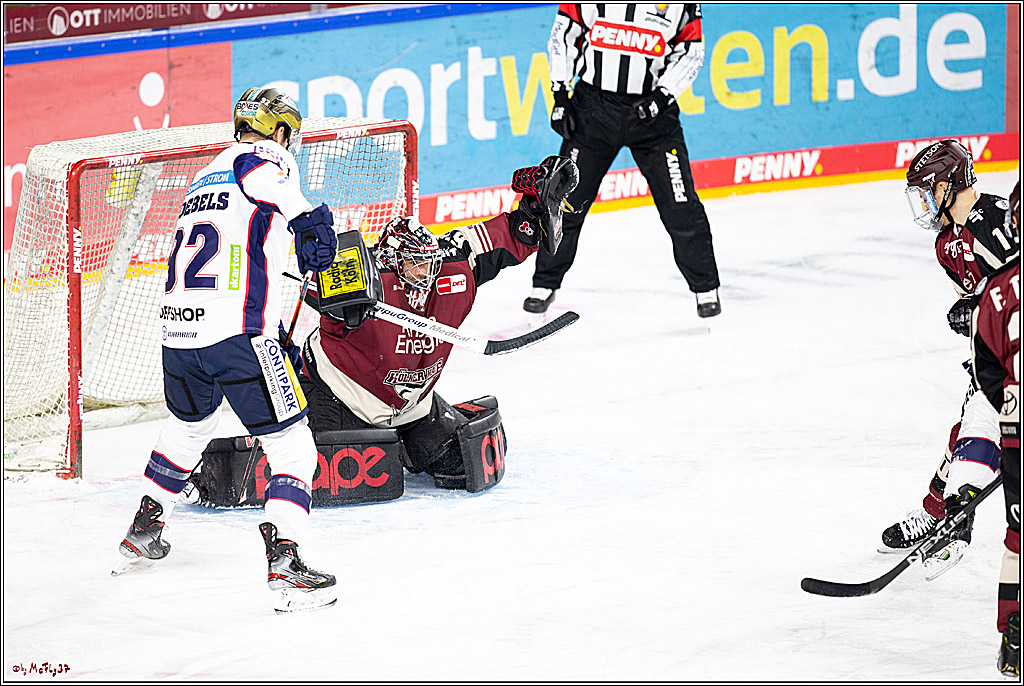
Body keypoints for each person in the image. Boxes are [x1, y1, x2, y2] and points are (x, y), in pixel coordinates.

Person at [113, 87, 341, 614]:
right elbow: (281, 197)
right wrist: (312, 226)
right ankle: (286, 561)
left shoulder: (205, 174)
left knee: (189, 426)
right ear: (280, 130)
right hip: (237, 335)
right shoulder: (265, 157)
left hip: (178, 334)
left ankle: (144, 527)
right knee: (294, 448)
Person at [298, 157, 578, 485]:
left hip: (412, 408)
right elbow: (316, 285)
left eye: (429, 263)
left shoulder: (453, 267)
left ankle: (404, 439)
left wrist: (534, 206)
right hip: (341, 395)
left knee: (458, 464)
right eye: (416, 266)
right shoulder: (365, 274)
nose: (426, 275)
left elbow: (504, 236)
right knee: (321, 474)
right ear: (392, 263)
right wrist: (339, 304)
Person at [524, 3, 721, 318]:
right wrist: (560, 92)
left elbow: (691, 52)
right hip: (593, 111)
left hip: (653, 118)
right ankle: (544, 283)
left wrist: (662, 96)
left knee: (680, 205)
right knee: (564, 202)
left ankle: (705, 288)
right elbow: (563, 34)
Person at [879, 141, 1017, 577]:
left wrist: (977, 311)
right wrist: (972, 312)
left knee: (983, 421)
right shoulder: (946, 244)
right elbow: (982, 299)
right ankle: (946, 511)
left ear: (947, 186)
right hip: (994, 352)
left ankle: (954, 518)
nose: (923, 203)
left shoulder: (997, 221)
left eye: (926, 191)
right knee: (968, 427)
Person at [970, 179, 1020, 677]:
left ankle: (1014, 638)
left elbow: (987, 373)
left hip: (1017, 437)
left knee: (1019, 539)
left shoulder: (997, 291)